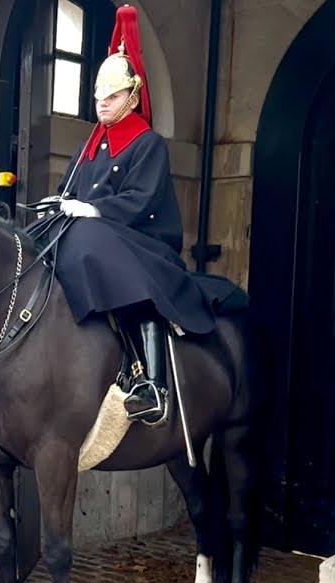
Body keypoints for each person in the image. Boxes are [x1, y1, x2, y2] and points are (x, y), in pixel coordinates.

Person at [44, 4, 215, 426]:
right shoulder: (89, 145)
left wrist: (94, 209)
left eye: (113, 96)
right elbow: (68, 190)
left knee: (92, 244)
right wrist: (57, 205)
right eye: (99, 97)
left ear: (133, 97)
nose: (102, 104)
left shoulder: (147, 143)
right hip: (93, 235)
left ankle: (152, 383)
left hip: (143, 240)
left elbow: (142, 200)